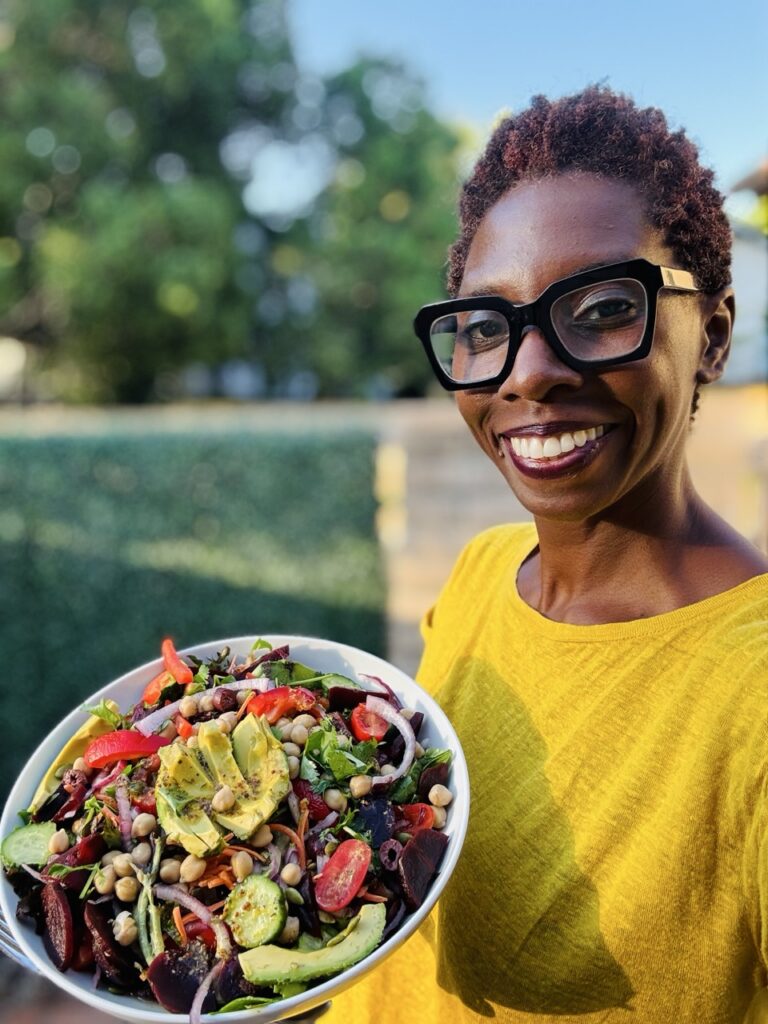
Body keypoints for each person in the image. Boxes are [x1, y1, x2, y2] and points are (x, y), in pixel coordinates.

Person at [320, 86, 768, 1023]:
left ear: (713, 334)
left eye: (603, 308)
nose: (529, 371)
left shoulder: (752, 695)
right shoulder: (479, 575)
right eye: (487, 327)